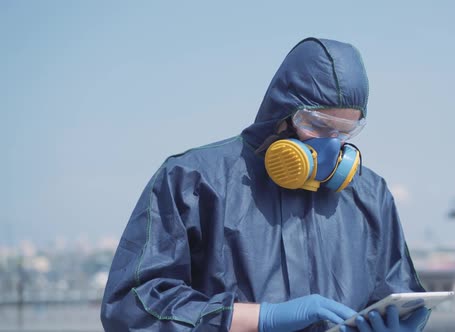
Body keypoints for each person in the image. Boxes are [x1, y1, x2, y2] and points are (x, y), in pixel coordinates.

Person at [101, 37, 429, 332]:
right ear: (282, 112)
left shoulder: (370, 193)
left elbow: (398, 295)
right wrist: (259, 319)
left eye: (344, 131)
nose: (331, 144)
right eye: (317, 125)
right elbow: (131, 307)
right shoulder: (195, 179)